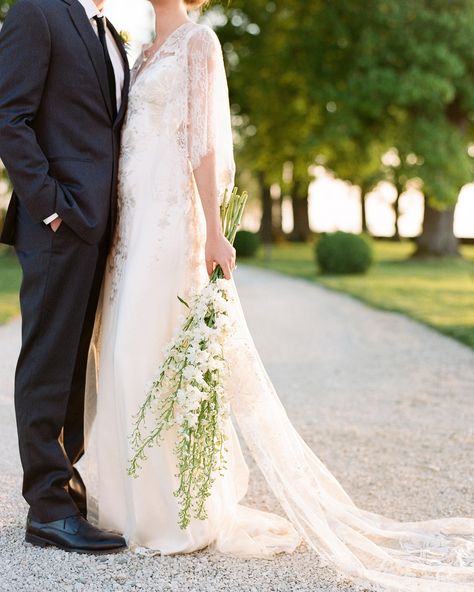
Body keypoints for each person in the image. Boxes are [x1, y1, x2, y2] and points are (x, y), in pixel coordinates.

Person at [83, 0, 474, 589]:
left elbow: (205, 143)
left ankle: (173, 517)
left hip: (170, 228)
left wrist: (214, 231)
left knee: (151, 354)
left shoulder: (199, 44)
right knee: (121, 356)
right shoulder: (138, 55)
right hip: (129, 228)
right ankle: (126, 506)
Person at [0, 0, 130, 553]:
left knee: (78, 364)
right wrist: (50, 206)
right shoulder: (37, 10)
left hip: (97, 226)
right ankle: (47, 509)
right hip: (57, 223)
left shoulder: (106, 31)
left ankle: (65, 486)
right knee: (49, 361)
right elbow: (8, 116)